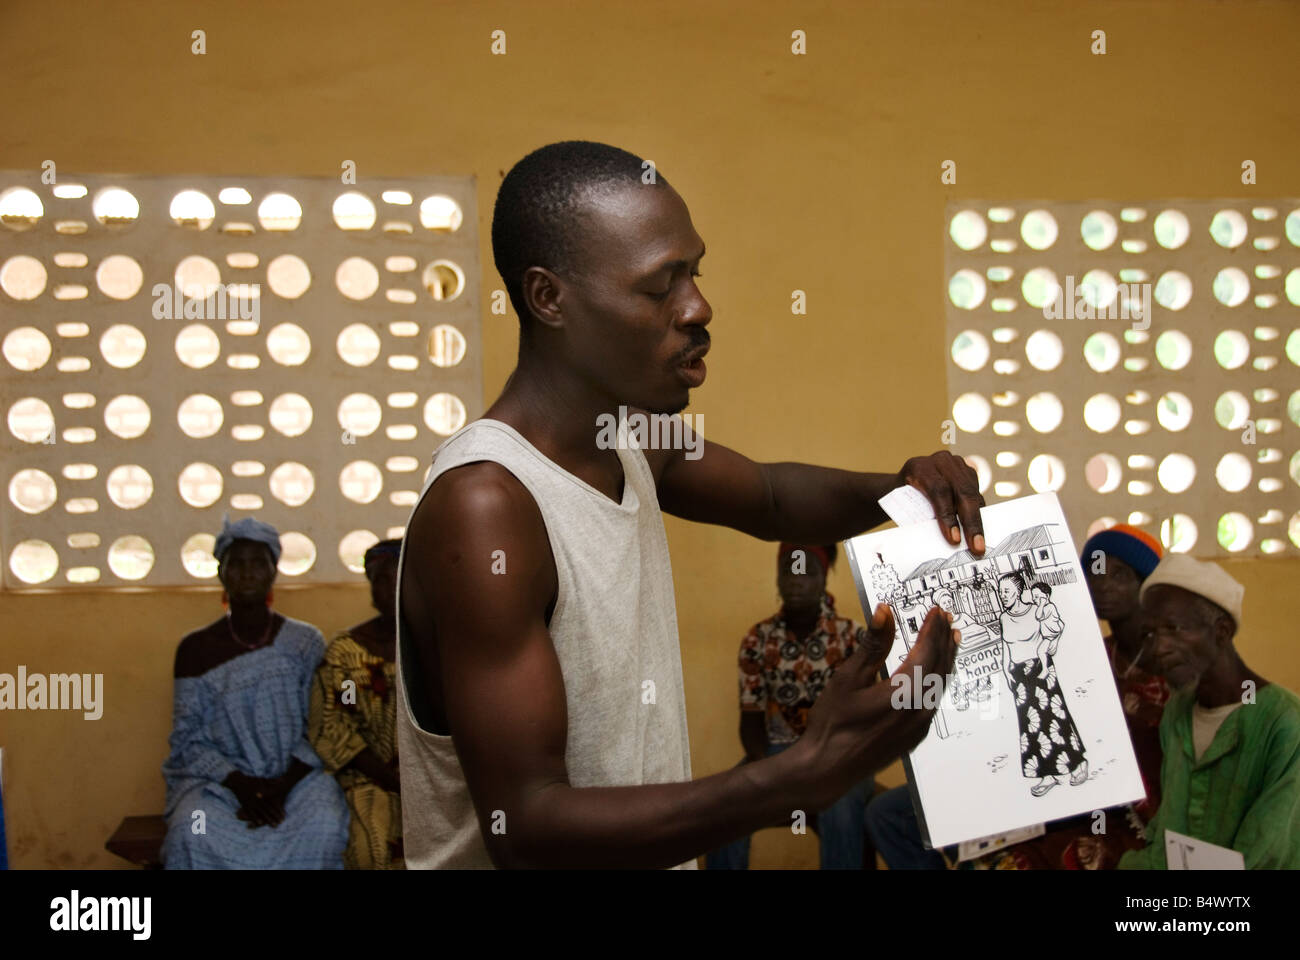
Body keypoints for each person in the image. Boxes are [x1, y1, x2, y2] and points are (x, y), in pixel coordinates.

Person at [395, 140, 974, 869]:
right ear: (550, 299)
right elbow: (529, 825)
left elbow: (770, 495)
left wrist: (909, 487)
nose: (699, 308)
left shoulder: (630, 436)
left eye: (694, 274)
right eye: (659, 286)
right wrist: (803, 773)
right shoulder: (487, 507)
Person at [963, 522, 1167, 870]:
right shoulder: (1092, 654)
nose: (1102, 585)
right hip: (1075, 803)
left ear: (1146, 583)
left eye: (1118, 574)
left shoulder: (1170, 664)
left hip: (1142, 820)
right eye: (1095, 573)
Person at [161, 516, 349, 869]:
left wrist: (280, 786)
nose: (247, 573)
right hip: (218, 787)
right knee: (191, 831)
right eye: (237, 564)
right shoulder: (195, 649)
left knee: (327, 825)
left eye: (257, 563)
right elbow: (187, 740)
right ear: (221, 572)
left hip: (297, 782)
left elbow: (323, 724)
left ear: (273, 571)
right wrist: (242, 785)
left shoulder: (304, 642)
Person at [706, 543, 881, 869]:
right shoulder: (758, 639)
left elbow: (866, 720)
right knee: (726, 806)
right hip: (777, 753)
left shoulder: (851, 638)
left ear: (824, 577)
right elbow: (751, 720)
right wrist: (767, 771)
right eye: (789, 570)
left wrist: (834, 762)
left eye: (807, 572)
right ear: (777, 578)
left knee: (839, 805)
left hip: (840, 755)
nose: (797, 580)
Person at [1119, 554, 1300, 869]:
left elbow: (1266, 856)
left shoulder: (1285, 724)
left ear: (1222, 631)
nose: (1160, 647)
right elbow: (1167, 839)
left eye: (1174, 628)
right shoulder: (1177, 713)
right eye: (1151, 634)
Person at [310, 539, 404, 869]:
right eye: (381, 580)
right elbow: (334, 727)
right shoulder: (346, 655)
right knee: (371, 848)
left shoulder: (437, 648)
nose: (391, 589)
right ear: (370, 587)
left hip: (433, 778)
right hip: (369, 780)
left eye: (399, 578)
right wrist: (392, 781)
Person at [998, 570, 1088, 797]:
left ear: (1018, 591)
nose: (1003, 595)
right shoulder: (1004, 618)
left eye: (1007, 591)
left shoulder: (1036, 611)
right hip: (1018, 674)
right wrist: (1006, 671)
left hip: (1040, 668)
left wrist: (1048, 652)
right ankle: (1047, 774)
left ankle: (1077, 763)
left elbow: (1054, 632)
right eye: (1001, 592)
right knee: (1030, 725)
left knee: (1054, 718)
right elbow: (1006, 647)